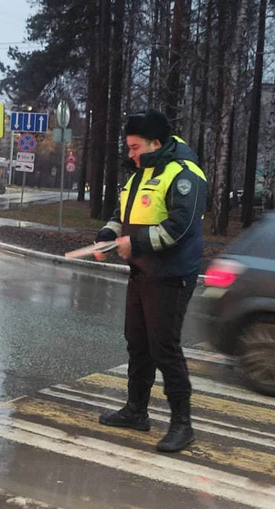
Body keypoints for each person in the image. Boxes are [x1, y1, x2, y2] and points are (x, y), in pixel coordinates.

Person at [93, 109, 207, 453]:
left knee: (165, 349)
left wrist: (136, 243)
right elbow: (121, 214)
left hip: (171, 277)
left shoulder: (185, 174)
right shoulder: (140, 174)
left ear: (156, 143)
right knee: (138, 343)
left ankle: (182, 425)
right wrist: (107, 236)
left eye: (135, 147)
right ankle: (135, 411)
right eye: (128, 148)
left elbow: (180, 228)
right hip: (142, 273)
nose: (131, 154)